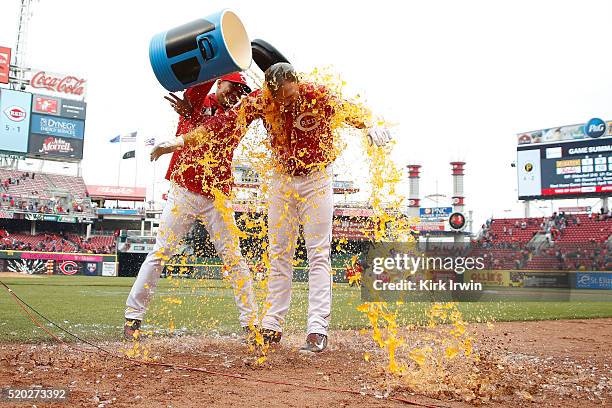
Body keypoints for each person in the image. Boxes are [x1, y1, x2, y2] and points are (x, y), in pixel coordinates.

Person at [154, 63, 392, 353]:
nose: (286, 104)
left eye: (291, 97)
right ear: (271, 91)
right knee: (279, 253)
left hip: (316, 178)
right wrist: (179, 141)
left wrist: (371, 124)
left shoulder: (317, 95)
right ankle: (272, 325)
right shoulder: (262, 99)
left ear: (297, 84)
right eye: (280, 99)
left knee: (318, 253)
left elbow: (349, 109)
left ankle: (317, 329)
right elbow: (223, 125)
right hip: (281, 179)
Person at [124, 73, 258, 340]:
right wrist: (221, 57)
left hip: (217, 195)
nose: (237, 94)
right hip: (184, 189)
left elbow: (246, 107)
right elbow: (200, 79)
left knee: (234, 259)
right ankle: (133, 318)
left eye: (242, 90)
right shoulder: (197, 101)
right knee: (160, 252)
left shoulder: (238, 115)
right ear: (220, 82)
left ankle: (251, 323)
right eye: (233, 86)